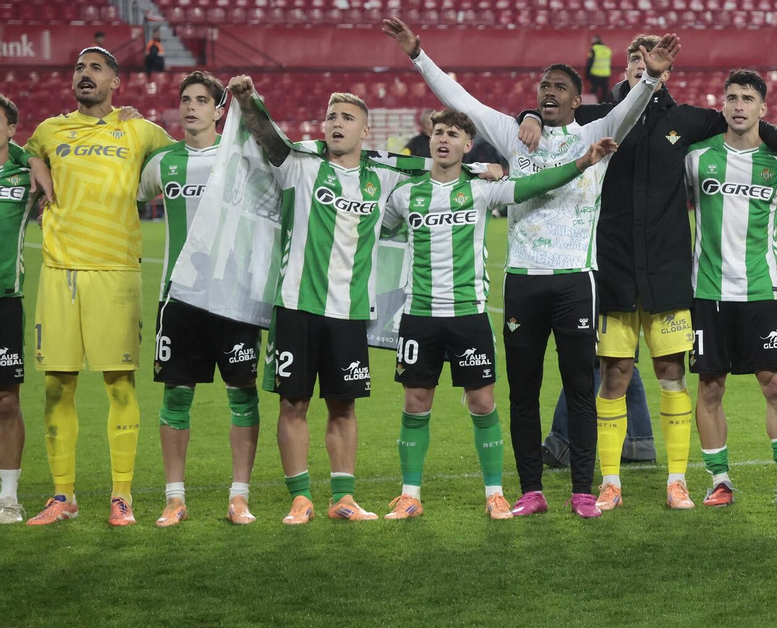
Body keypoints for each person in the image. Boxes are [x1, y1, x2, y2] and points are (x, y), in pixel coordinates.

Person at [386, 16, 659, 518]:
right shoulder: (515, 133)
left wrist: (652, 80)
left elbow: (632, 109)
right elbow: (463, 102)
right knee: (524, 392)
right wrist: (418, 54)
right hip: (522, 281)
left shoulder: (596, 132)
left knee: (580, 386)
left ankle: (581, 490)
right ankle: (531, 490)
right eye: (543, 87)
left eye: (558, 87)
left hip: (577, 279)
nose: (548, 92)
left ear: (577, 101)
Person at [515, 35, 777, 512]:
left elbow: (745, 123)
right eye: (634, 60)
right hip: (613, 272)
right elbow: (551, 112)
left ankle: (677, 480)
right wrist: (528, 115)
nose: (641, 67)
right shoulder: (596, 119)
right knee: (614, 375)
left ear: (666, 72)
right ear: (625, 68)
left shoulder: (686, 120)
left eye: (651, 63)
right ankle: (610, 482)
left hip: (669, 275)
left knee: (672, 375)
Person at [380, 109, 613, 520]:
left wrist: (581, 163)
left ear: (468, 145)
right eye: (438, 133)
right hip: (419, 313)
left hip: (469, 314)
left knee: (483, 402)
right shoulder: (404, 196)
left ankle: (494, 493)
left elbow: (536, 183)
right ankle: (410, 494)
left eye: (453, 134)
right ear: (429, 139)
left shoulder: (483, 189)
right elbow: (376, 230)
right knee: (415, 402)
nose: (443, 140)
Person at [227, 77, 412, 523]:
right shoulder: (299, 165)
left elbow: (438, 172)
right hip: (296, 305)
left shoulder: (383, 178)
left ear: (365, 131)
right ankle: (301, 497)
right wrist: (249, 98)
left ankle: (344, 498)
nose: (336, 123)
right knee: (293, 403)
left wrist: (486, 171)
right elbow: (266, 135)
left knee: (343, 405)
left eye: (347, 118)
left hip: (349, 313)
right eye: (331, 116)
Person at [24, 47, 171, 527]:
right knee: (55, 385)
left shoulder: (140, 129)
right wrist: (38, 170)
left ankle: (121, 496)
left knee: (119, 383)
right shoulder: (49, 130)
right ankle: (62, 496)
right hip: (59, 271)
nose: (84, 75)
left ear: (115, 83)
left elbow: (182, 156)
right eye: (79, 68)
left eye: (96, 69)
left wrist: (141, 119)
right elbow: (23, 153)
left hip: (116, 272)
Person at [136, 72, 264, 527]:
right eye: (185, 100)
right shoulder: (162, 163)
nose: (190, 107)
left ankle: (239, 497)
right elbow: (123, 196)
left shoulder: (242, 158)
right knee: (176, 395)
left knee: (243, 396)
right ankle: (174, 499)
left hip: (233, 297)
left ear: (219, 109)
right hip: (179, 298)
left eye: (201, 100)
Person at [686, 70, 777, 509]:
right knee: (710, 387)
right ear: (723, 105)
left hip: (760, 292)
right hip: (708, 292)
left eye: (748, 99)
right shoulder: (696, 158)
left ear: (763, 109)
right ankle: (719, 480)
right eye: (732, 97)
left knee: (774, 383)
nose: (739, 105)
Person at [0, 94, 36, 523]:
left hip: (5, 301)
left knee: (7, 401)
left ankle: (8, 497)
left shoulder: (25, 172)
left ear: (12, 129)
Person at [586, 36, 613, 103]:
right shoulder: (607, 50)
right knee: (605, 91)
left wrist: (587, 73)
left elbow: (590, 62)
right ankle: (604, 104)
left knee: (594, 90)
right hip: (606, 73)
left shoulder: (594, 49)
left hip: (596, 73)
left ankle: (592, 104)